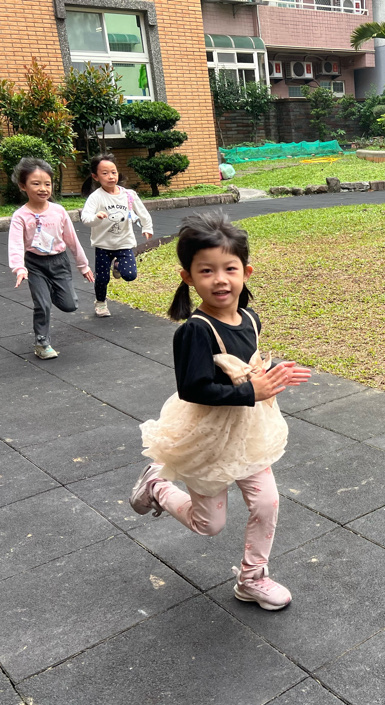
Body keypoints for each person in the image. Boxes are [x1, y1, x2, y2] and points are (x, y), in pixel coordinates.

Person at [130, 211, 311, 610]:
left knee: (267, 503)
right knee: (209, 525)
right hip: (208, 436)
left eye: (229, 268)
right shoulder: (195, 330)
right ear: (188, 277)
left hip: (248, 433)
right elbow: (194, 389)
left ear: (246, 272)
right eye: (206, 270)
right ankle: (157, 486)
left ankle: (252, 579)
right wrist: (250, 390)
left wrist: (272, 373)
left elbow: (245, 365)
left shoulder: (250, 318)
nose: (220, 279)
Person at [8, 157, 94, 360]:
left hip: (59, 262)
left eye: (47, 184)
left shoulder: (58, 211)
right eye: (36, 184)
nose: (43, 189)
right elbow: (16, 244)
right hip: (34, 264)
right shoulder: (20, 216)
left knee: (70, 305)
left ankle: (50, 291)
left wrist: (83, 265)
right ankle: (42, 343)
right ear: (23, 186)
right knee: (42, 304)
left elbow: (72, 240)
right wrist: (19, 268)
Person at [80, 153, 153, 318]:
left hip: (123, 243)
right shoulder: (96, 197)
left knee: (130, 275)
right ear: (95, 177)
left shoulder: (129, 195)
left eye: (113, 172)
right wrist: (96, 218)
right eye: (105, 173)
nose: (111, 176)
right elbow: (85, 218)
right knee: (102, 278)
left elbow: (143, 213)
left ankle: (118, 265)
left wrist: (147, 227)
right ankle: (100, 302)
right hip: (103, 245)